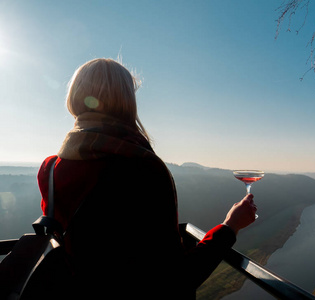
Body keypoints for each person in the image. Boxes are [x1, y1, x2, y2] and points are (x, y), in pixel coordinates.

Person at [36, 58, 257, 299]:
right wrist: (230, 226)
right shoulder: (142, 170)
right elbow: (176, 278)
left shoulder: (51, 168)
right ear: (128, 102)